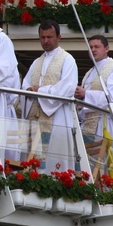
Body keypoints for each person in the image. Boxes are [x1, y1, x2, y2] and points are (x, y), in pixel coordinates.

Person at [21, 20, 78, 171]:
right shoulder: (36, 62)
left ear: (59, 37)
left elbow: (66, 88)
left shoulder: (68, 60)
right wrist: (29, 90)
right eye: (42, 37)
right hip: (35, 118)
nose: (46, 41)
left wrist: (40, 91)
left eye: (50, 37)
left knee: (54, 162)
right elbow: (24, 85)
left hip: (56, 117)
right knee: (33, 161)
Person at [75, 35, 113, 174]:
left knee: (103, 167)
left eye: (97, 47)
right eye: (90, 47)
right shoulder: (89, 72)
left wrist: (86, 94)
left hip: (104, 123)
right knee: (88, 166)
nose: (93, 50)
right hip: (87, 124)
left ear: (107, 49)